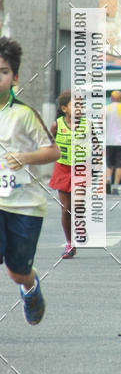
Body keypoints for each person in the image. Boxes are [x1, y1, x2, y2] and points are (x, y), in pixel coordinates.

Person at [0, 37, 60, 323]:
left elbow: (53, 151)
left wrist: (25, 157)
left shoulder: (24, 114)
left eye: (3, 72)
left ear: (15, 78)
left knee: (17, 271)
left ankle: (30, 288)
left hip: (25, 205)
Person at [48, 90, 79, 258]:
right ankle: (69, 243)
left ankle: (78, 230)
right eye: (76, 105)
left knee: (77, 206)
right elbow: (47, 142)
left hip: (80, 170)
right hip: (62, 168)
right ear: (64, 108)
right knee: (66, 209)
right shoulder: (57, 125)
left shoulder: (87, 125)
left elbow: (96, 145)